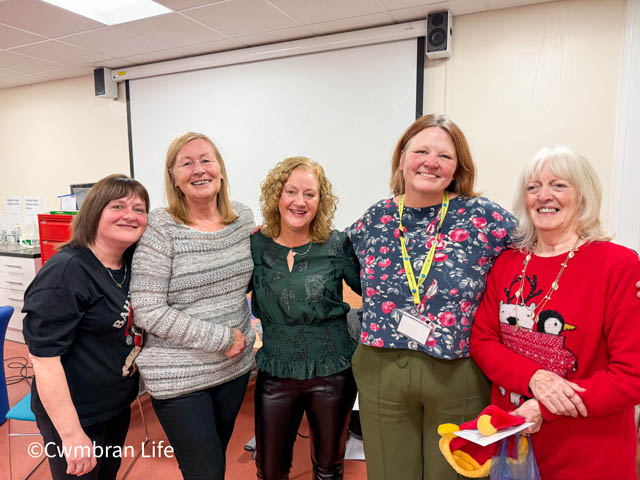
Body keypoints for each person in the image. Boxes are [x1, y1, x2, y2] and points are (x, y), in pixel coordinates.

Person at [346, 114, 517, 479]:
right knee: (390, 472)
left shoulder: (483, 217)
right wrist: (269, 233)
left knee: (454, 471)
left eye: (444, 155)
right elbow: (329, 252)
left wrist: (612, 269)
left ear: (457, 168)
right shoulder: (375, 218)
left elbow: (544, 247)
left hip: (456, 371)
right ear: (402, 157)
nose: (431, 162)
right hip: (382, 368)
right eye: (421, 150)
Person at [470, 146, 640, 480]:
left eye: (559, 185)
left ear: (583, 195)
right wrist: (532, 377)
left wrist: (544, 407)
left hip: (591, 455)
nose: (543, 196)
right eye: (533, 187)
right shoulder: (508, 262)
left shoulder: (618, 265)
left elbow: (631, 376)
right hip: (515, 451)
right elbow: (483, 341)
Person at [130, 132, 255, 480]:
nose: (198, 169)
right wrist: (220, 338)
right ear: (173, 176)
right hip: (179, 374)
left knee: (215, 458)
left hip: (233, 369)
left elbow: (242, 283)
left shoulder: (242, 219)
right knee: (206, 472)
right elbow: (147, 309)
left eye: (206, 160)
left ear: (221, 169)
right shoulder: (161, 227)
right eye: (186, 163)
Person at [23, 174, 149, 479]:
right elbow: (44, 360)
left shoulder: (131, 265)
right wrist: (71, 436)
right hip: (76, 414)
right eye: (118, 206)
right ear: (94, 213)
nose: (130, 215)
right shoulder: (67, 272)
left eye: (140, 209)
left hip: (115, 405)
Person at [251, 156, 361, 480]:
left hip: (332, 372)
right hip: (274, 371)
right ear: (277, 196)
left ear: (320, 201)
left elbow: (378, 290)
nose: (300, 201)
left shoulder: (337, 244)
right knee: (269, 470)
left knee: (328, 470)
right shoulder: (256, 245)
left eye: (310, 194)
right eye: (291, 192)